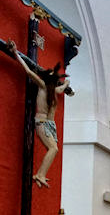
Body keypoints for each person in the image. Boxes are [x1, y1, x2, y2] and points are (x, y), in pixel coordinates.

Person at [8, 40, 72, 188]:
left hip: (50, 125)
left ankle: (41, 174)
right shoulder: (43, 86)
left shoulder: (53, 91)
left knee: (54, 149)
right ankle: (40, 174)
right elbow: (29, 72)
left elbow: (61, 89)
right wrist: (16, 53)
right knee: (53, 149)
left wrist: (67, 84)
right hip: (42, 123)